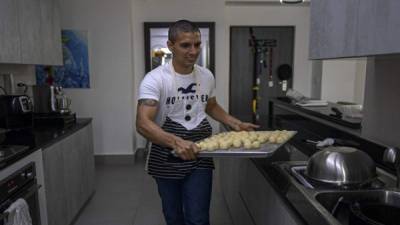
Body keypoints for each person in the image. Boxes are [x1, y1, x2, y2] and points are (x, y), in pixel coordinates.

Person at [136, 19, 259, 225]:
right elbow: (142, 123)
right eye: (185, 45)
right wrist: (175, 142)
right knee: (174, 216)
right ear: (170, 45)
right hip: (166, 155)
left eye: (197, 44)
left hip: (201, 153)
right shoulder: (155, 79)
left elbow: (210, 105)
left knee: (198, 217)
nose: (193, 51)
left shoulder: (206, 76)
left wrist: (234, 122)